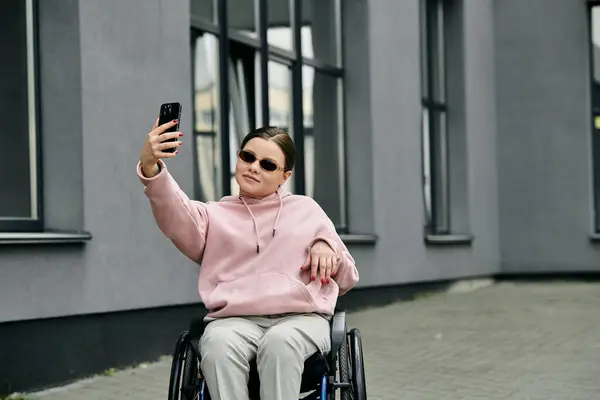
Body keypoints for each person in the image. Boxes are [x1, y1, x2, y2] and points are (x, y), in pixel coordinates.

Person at [137, 119, 359, 400]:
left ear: (284, 176)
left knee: (281, 343)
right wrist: (151, 168)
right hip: (234, 319)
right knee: (217, 344)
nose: (254, 166)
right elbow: (175, 210)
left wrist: (329, 247)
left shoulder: (307, 210)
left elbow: (349, 278)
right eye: (248, 157)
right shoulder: (214, 215)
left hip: (301, 318)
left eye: (267, 164)